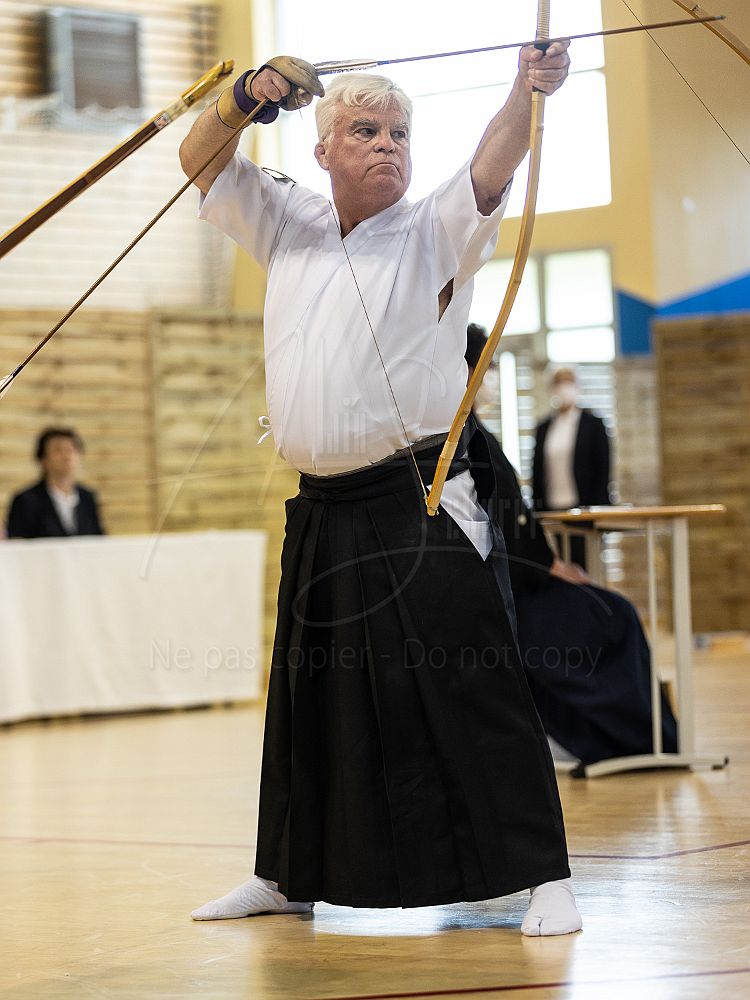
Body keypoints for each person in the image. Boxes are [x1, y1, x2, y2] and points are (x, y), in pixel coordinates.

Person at [180, 44, 582, 936]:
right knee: (309, 696)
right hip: (324, 504)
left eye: (399, 133)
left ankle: (544, 876)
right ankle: (286, 874)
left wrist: (524, 89)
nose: (387, 145)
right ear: (322, 148)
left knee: (470, 682)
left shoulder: (435, 227)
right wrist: (246, 95)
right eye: (364, 131)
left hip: (417, 495)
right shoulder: (288, 218)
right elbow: (198, 158)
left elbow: (493, 162)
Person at [464, 327, 677, 767]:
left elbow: (513, 515)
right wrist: (548, 566)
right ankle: (636, 738)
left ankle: (648, 735)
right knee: (615, 615)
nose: (491, 377)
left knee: (613, 608)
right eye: (487, 366)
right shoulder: (469, 437)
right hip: (516, 589)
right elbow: (505, 522)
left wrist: (549, 562)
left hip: (531, 568)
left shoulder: (479, 432)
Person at [532, 367, 611, 568]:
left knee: (586, 567)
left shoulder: (593, 425)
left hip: (584, 510)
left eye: (569, 382)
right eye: (559, 382)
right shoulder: (544, 428)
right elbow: (537, 471)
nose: (564, 388)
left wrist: (599, 511)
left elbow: (603, 470)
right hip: (551, 510)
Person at [5, 427, 104, 539]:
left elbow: (98, 539)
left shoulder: (87, 497)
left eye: (72, 449)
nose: (67, 456)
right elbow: (17, 543)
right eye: (58, 450)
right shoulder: (26, 500)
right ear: (43, 460)